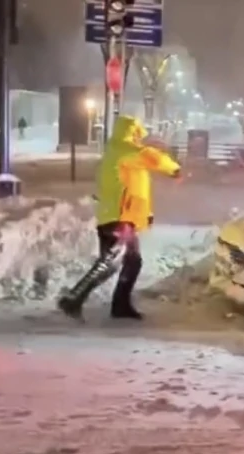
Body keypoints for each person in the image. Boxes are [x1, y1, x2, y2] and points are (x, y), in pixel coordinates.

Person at [58, 115, 181, 320]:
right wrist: (174, 169)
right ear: (132, 132)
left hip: (113, 217)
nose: (139, 139)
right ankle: (79, 300)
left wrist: (144, 215)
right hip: (121, 219)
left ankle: (85, 300)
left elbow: (132, 186)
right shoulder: (125, 150)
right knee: (125, 262)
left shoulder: (114, 152)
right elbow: (153, 158)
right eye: (137, 135)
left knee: (112, 263)